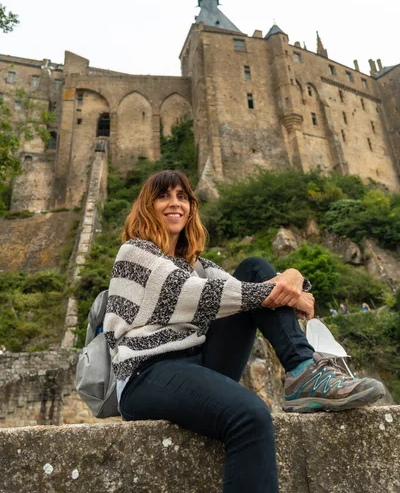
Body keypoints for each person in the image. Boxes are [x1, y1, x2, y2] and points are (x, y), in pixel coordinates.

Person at [104, 170, 385, 493]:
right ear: (147, 206)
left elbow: (248, 287)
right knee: (251, 415)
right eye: (164, 196)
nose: (175, 203)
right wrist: (286, 287)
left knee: (254, 266)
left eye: (183, 197)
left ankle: (304, 372)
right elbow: (198, 294)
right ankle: (303, 373)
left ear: (192, 208)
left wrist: (293, 278)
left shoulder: (197, 264)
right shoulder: (135, 253)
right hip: (148, 373)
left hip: (200, 362)